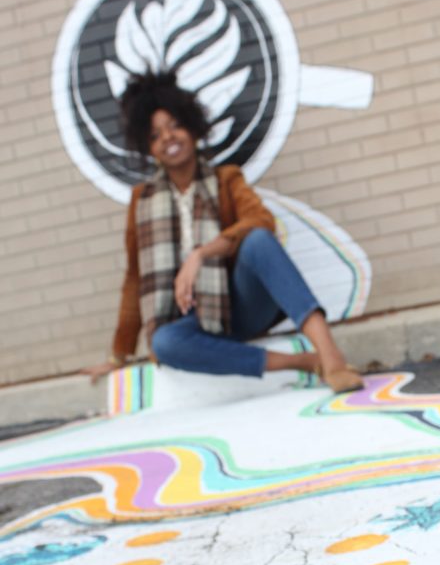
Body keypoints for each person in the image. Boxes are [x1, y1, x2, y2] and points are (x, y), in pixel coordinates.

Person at [85, 71, 363, 393]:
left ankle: (331, 357)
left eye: (175, 125)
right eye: (155, 135)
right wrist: (119, 355)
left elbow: (261, 220)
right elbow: (135, 279)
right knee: (164, 343)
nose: (169, 139)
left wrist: (202, 253)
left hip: (240, 307)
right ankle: (302, 362)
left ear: (192, 127)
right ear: (148, 148)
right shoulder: (142, 202)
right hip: (190, 320)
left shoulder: (226, 179)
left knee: (258, 240)